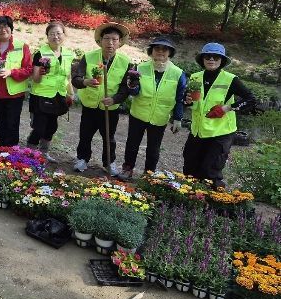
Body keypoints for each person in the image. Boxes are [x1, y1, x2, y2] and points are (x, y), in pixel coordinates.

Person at [182, 43, 256, 188]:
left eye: (216, 57)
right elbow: (192, 102)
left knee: (210, 172)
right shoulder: (195, 77)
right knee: (190, 168)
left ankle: (212, 200)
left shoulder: (230, 79)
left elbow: (251, 100)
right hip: (198, 131)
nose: (211, 59)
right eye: (207, 56)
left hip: (220, 133)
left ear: (222, 60)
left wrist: (226, 108)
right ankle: (189, 199)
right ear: (202, 59)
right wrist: (187, 101)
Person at [71, 22, 134, 176]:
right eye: (106, 39)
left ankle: (109, 162)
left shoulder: (126, 62)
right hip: (90, 105)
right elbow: (76, 79)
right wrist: (85, 82)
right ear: (100, 40)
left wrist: (114, 99)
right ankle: (82, 158)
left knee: (109, 137)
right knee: (85, 135)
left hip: (110, 108)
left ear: (119, 42)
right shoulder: (89, 57)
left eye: (114, 39)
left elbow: (125, 88)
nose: (110, 43)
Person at [121, 36, 186, 179]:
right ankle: (127, 168)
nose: (160, 52)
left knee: (153, 148)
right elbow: (135, 92)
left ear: (170, 52)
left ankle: (148, 174)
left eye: (164, 49)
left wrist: (177, 118)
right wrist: (132, 86)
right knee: (132, 144)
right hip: (139, 113)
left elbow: (180, 98)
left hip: (160, 116)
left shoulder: (178, 73)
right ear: (151, 51)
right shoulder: (140, 68)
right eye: (157, 48)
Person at [26, 20, 74, 162]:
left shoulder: (68, 54)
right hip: (41, 95)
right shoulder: (40, 53)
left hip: (58, 95)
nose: (55, 36)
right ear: (47, 36)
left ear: (64, 35)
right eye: (52, 34)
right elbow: (35, 79)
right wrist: (40, 73)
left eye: (58, 33)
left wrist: (71, 93)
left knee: (52, 127)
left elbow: (67, 77)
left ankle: (43, 152)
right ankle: (29, 153)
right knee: (39, 127)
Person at [0, 15, 32, 147]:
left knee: (12, 123)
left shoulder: (22, 47)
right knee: (1, 122)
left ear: (11, 28)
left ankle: (12, 150)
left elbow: (28, 69)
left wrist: (11, 72)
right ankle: (2, 147)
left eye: (6, 26)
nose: (3, 29)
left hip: (15, 93)